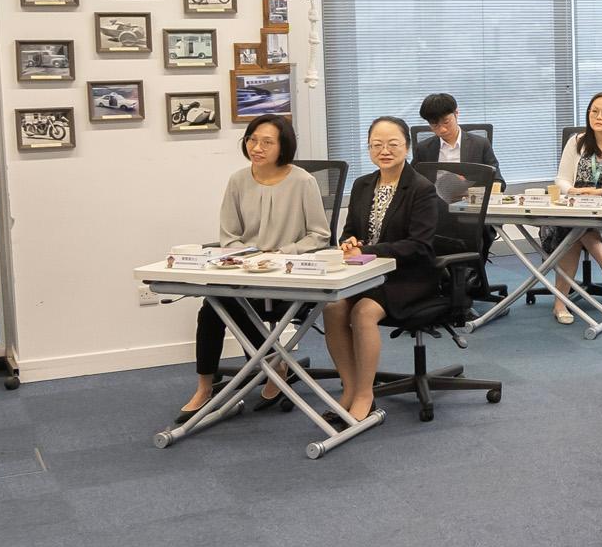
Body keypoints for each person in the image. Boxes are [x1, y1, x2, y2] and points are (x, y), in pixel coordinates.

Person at [177, 113, 330, 416]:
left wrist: (281, 253)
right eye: (251, 139)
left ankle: (272, 365)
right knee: (212, 306)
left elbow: (319, 236)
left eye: (266, 142)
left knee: (231, 302)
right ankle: (205, 387)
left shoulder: (303, 181)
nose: (256, 147)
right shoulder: (237, 180)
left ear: (282, 146)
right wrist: (246, 256)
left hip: (289, 277)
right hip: (247, 273)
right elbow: (228, 236)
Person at [320, 116, 444, 424]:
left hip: (409, 275)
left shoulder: (421, 188)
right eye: (377, 145)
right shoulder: (363, 184)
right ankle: (349, 388)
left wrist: (370, 250)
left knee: (363, 312)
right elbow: (350, 231)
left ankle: (365, 394)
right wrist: (348, 242)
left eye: (392, 144)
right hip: (366, 271)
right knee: (333, 307)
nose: (384, 150)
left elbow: (420, 245)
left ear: (407, 146)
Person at [543, 91, 602, 326]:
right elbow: (562, 179)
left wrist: (601, 192)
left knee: (576, 231)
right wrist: (572, 191)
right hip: (575, 206)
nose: (598, 116)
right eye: (594, 111)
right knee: (575, 228)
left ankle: (560, 303)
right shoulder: (576, 141)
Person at [412, 92, 501, 304]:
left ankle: (462, 293)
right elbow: (414, 183)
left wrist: (467, 186)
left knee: (464, 234)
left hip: (469, 213)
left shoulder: (479, 144)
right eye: (434, 125)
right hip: (436, 213)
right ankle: (441, 289)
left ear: (457, 114)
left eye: (446, 122)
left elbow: (497, 181)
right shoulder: (424, 149)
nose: (442, 129)